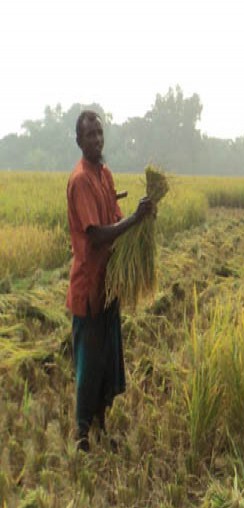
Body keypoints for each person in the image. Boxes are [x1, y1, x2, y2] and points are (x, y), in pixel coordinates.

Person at [66, 110, 154, 452]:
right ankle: (82, 436)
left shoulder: (104, 173)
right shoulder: (81, 180)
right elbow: (98, 235)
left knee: (106, 363)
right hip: (89, 288)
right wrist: (134, 218)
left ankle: (101, 427)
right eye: (90, 135)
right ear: (79, 141)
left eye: (100, 133)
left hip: (109, 285)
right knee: (89, 366)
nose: (97, 140)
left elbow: (116, 220)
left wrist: (141, 218)